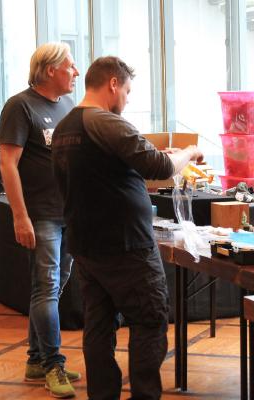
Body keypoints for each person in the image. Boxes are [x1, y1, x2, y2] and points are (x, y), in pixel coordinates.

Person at [51, 56, 203, 400]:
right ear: (113, 84)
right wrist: (188, 152)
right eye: (128, 91)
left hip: (87, 244)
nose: (128, 99)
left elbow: (99, 172)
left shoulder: (65, 127)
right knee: (150, 319)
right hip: (126, 246)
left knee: (99, 326)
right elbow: (161, 167)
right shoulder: (105, 121)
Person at [0, 42, 81, 398]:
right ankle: (52, 364)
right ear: (50, 70)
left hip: (69, 213)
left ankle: (36, 358)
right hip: (41, 214)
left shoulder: (68, 105)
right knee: (46, 287)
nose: (76, 72)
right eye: (70, 66)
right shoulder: (20, 106)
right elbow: (7, 164)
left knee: (54, 286)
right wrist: (20, 216)